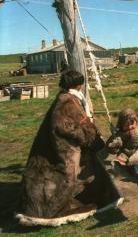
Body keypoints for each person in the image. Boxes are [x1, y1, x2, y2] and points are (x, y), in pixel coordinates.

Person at [19, 70, 120, 222]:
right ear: (78, 84)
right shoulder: (68, 101)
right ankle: (52, 210)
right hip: (65, 147)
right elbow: (75, 125)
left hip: (58, 142)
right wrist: (95, 140)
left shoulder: (64, 97)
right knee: (67, 175)